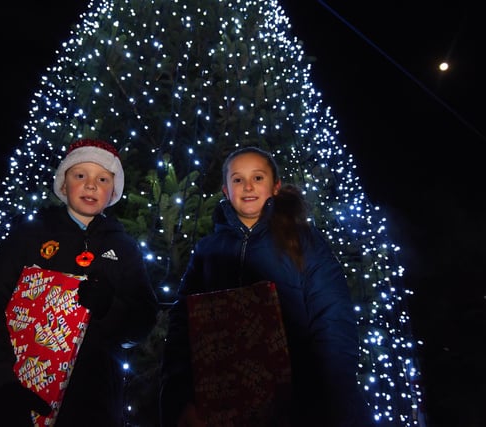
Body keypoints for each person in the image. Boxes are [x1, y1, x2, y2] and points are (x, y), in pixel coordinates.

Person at [159, 146, 375, 426]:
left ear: (275, 187)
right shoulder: (207, 251)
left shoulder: (304, 242)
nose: (248, 186)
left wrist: (330, 398)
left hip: (297, 404)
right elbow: (181, 326)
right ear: (225, 190)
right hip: (221, 407)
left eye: (257, 178)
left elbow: (333, 318)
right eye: (237, 179)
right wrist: (180, 401)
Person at [0, 138, 159, 427]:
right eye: (80, 175)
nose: (91, 185)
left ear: (113, 191)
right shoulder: (30, 234)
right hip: (16, 395)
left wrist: (110, 307)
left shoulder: (125, 248)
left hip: (93, 405)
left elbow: (143, 320)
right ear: (63, 185)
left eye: (102, 178)